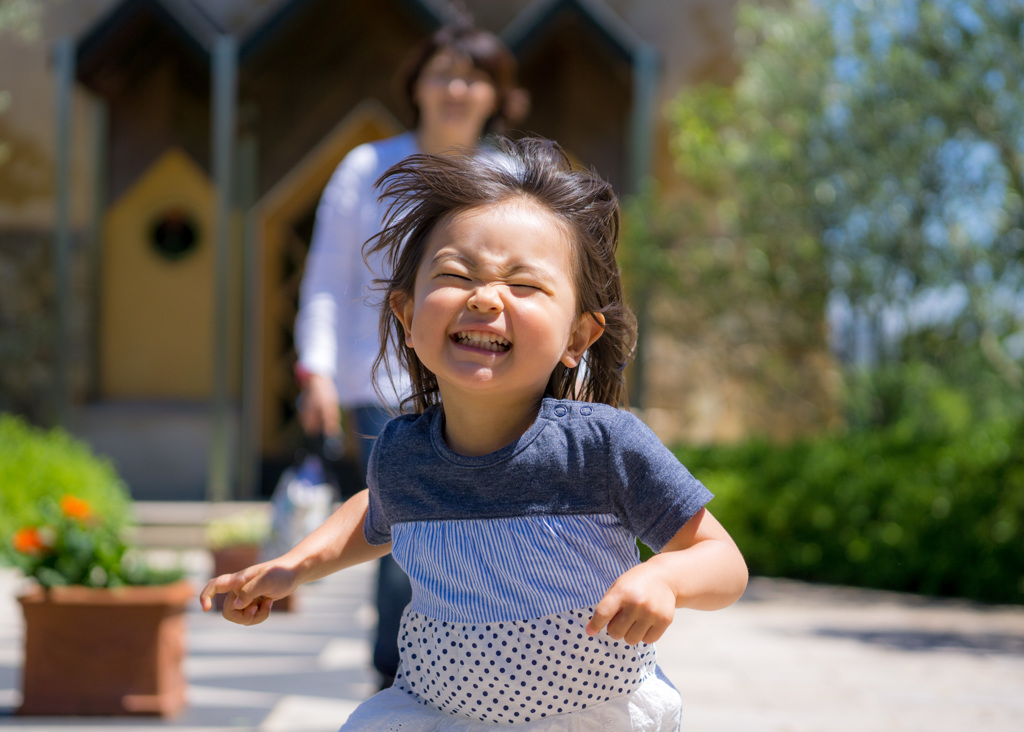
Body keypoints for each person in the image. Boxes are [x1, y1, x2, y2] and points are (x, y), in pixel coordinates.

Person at [202, 136, 748, 730]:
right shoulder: (404, 452)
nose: (486, 297)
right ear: (408, 318)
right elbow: (374, 512)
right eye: (456, 274)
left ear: (577, 339)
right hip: (438, 713)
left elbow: (721, 561)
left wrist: (663, 577)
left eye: (526, 285)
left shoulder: (602, 446)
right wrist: (294, 566)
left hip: (589, 716)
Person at [293, 19, 526, 689]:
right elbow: (328, 279)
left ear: (495, 95)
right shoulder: (367, 168)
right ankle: (398, 678)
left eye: (473, 76)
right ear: (416, 86)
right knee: (406, 533)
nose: (457, 88)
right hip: (381, 381)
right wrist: (316, 369)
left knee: (478, 530)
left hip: (486, 377)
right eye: (442, 73)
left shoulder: (511, 175)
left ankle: (475, 664)